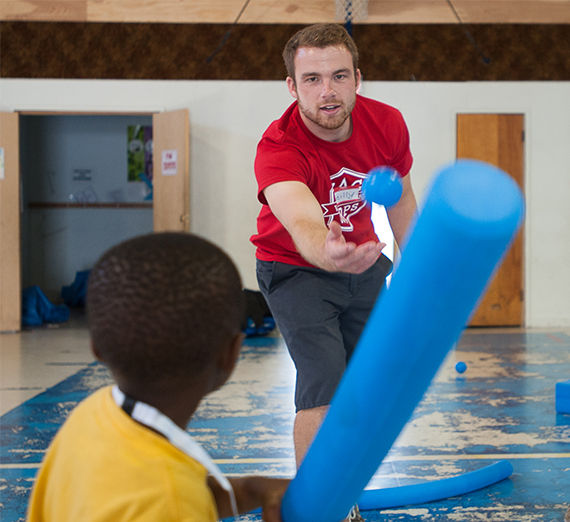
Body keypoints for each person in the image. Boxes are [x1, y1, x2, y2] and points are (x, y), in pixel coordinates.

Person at [250, 23, 418, 521]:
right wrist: (329, 251)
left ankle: (344, 489)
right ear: (292, 86)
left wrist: (424, 272)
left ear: (358, 78)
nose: (328, 91)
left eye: (339, 76)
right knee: (324, 381)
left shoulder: (386, 123)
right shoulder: (278, 145)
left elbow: (403, 200)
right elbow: (302, 222)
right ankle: (321, 511)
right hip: (295, 269)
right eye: (313, 78)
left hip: (364, 263)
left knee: (367, 387)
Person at [26, 232, 289, 522]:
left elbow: (167, 492)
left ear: (96, 348)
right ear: (231, 353)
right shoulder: (170, 503)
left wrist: (252, 490)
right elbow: (170, 500)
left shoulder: (93, 415)